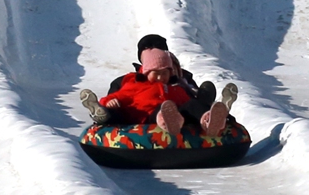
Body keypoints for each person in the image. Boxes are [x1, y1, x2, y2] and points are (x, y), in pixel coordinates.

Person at [80, 47, 234, 137]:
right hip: (147, 117)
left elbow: (188, 100)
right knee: (162, 109)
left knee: (192, 104)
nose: (161, 77)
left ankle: (210, 121)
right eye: (156, 73)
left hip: (176, 114)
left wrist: (201, 106)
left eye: (165, 73)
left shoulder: (175, 88)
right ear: (146, 72)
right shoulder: (136, 85)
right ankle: (101, 113)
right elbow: (117, 96)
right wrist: (109, 103)